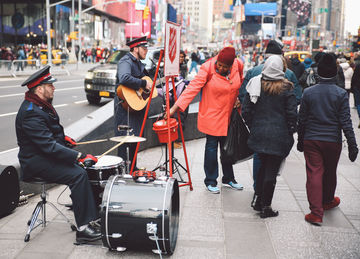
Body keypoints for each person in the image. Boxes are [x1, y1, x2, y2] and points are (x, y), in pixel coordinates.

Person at [15, 66, 101, 244]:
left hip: (44, 156)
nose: (54, 87)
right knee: (78, 174)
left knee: (86, 169)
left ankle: (90, 214)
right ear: (39, 89)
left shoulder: (40, 105)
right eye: (50, 85)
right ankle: (84, 229)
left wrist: (65, 139)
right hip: (35, 163)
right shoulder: (31, 113)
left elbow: (48, 136)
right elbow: (48, 146)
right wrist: (78, 156)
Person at [169, 47, 244, 194]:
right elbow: (192, 88)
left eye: (225, 66)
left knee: (228, 147)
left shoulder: (238, 65)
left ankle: (229, 178)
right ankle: (210, 180)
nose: (221, 68)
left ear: (231, 64)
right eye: (219, 65)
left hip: (229, 115)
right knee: (211, 147)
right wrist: (174, 108)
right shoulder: (207, 67)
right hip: (212, 114)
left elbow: (240, 83)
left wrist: (239, 98)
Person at [297, 53, 358, 226]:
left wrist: (300, 141)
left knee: (314, 172)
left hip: (312, 139)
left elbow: (302, 120)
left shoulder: (308, 93)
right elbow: (346, 122)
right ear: (335, 73)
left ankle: (316, 213)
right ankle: (328, 200)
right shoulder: (340, 94)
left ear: (318, 72)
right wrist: (353, 146)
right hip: (333, 140)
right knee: (330, 171)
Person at [238, 40, 301, 196]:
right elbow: (293, 110)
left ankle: (257, 194)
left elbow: (245, 106)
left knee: (260, 162)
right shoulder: (288, 83)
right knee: (272, 168)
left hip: (259, 132)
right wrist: (290, 129)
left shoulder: (254, 77)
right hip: (279, 135)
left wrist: (253, 125)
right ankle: (265, 204)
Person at [114, 36, 152, 170]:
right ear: (135, 48)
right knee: (125, 141)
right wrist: (143, 83)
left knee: (134, 140)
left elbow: (145, 85)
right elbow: (124, 78)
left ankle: (132, 169)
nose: (146, 50)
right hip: (125, 109)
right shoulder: (126, 61)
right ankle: (123, 171)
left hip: (135, 108)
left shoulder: (138, 63)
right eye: (144, 48)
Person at [351, 64, 360, 128]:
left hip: (357, 86)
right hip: (357, 86)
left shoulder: (358, 66)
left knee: (358, 104)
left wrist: (352, 87)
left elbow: (354, 77)